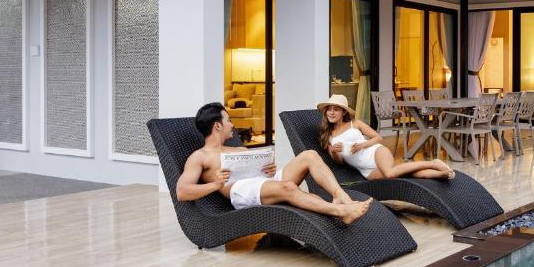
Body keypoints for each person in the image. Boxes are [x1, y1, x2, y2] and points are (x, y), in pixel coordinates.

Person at [177, 102, 372, 225]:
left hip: (263, 183)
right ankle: (340, 212)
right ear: (217, 125)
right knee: (287, 187)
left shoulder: (239, 150)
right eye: (228, 120)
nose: (232, 124)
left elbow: (264, 178)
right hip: (242, 191)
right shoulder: (200, 156)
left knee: (309, 155)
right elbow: (182, 192)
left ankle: (341, 197)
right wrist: (216, 185)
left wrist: (269, 171)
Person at [318, 94, 455, 181]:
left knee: (390, 174)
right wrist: (335, 152)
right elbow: (340, 162)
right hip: (366, 170)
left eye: (335, 109)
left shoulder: (356, 123)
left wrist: (362, 145)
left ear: (343, 112)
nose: (331, 112)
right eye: (329, 109)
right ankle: (443, 174)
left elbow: (378, 138)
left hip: (375, 153)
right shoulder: (328, 136)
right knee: (407, 175)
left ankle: (433, 163)